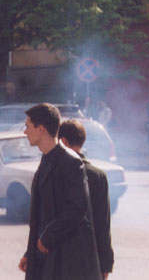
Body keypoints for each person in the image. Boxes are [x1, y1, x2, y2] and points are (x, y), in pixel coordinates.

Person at [18, 103, 102, 280]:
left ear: (41, 129)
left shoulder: (71, 162)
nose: (25, 132)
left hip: (65, 261)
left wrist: (48, 236)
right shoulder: (46, 160)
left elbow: (78, 208)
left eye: (28, 126)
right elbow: (41, 215)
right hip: (45, 256)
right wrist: (30, 252)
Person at [59, 120, 114, 279]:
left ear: (63, 142)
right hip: (90, 257)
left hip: (60, 257)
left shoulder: (56, 172)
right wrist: (105, 263)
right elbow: (103, 223)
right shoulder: (97, 175)